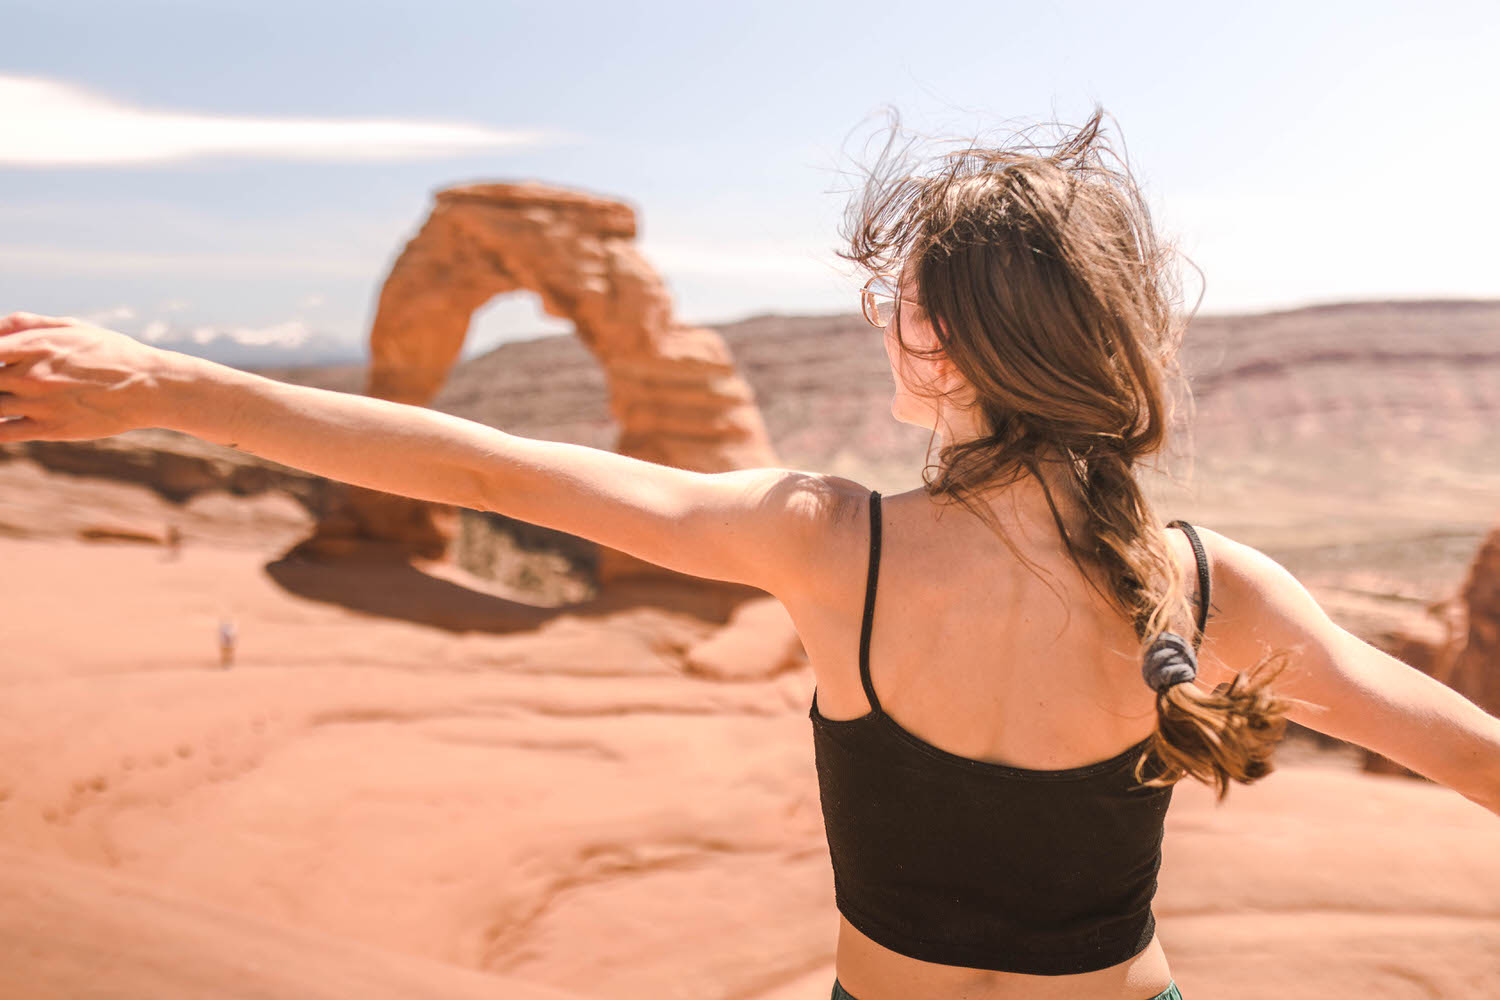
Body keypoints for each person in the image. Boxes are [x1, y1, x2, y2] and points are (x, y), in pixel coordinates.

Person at [1, 107, 1497, 1000]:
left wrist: (167, 389)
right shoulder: (1212, 586)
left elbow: (478, 464)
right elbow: (1472, 755)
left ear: (936, 344)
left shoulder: (825, 545)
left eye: (894, 300)